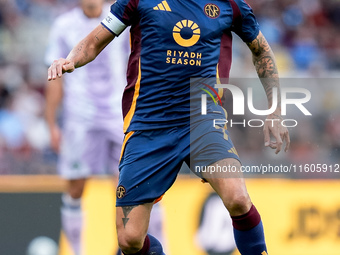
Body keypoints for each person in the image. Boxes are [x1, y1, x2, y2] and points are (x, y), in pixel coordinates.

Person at [48, 0, 291, 254]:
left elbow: (261, 50)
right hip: (148, 124)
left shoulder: (229, 4)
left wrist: (275, 109)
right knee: (129, 240)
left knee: (238, 198)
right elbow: (94, 41)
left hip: (202, 120)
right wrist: (70, 60)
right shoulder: (137, 1)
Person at [44, 0, 128, 254]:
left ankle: (128, 246)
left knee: (130, 185)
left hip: (118, 114)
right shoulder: (63, 25)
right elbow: (54, 76)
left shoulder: (122, 16)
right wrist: (51, 123)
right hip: (81, 117)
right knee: (76, 187)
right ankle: (77, 250)